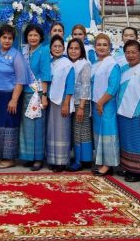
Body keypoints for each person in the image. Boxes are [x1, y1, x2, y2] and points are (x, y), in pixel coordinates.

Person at [111, 40, 140, 182]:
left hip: (139, 113)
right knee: (127, 141)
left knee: (139, 142)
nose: (130, 55)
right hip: (123, 111)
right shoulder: (124, 69)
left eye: (133, 52)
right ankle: (129, 167)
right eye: (127, 52)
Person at [0, 24, 29, 169]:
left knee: (9, 126)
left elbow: (20, 80)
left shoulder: (17, 55)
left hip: (10, 96)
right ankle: (1, 156)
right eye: (4, 37)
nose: (7, 40)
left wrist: (14, 99)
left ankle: (10, 158)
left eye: (10, 38)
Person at [21, 24, 51, 171]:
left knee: (38, 126)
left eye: (36, 35)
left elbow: (45, 74)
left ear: (41, 37)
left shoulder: (44, 51)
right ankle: (29, 156)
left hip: (38, 93)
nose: (33, 38)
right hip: (26, 93)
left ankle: (38, 158)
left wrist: (44, 96)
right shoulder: (24, 51)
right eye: (30, 35)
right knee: (27, 127)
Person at [91, 34, 121, 176]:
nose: (102, 47)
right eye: (99, 44)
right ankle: (102, 161)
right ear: (94, 47)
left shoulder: (112, 64)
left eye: (105, 45)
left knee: (108, 132)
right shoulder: (95, 64)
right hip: (96, 103)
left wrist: (101, 102)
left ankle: (108, 165)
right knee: (99, 133)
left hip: (107, 104)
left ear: (110, 47)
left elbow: (113, 86)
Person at [45, 35, 76, 172]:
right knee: (51, 130)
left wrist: (66, 103)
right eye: (54, 46)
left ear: (63, 48)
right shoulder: (49, 63)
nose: (57, 49)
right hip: (51, 100)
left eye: (59, 46)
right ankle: (52, 159)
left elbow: (70, 86)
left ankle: (62, 161)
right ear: (50, 48)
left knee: (62, 131)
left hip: (62, 101)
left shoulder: (67, 64)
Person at [66, 38, 92, 172]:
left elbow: (86, 86)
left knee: (80, 132)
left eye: (76, 48)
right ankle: (79, 158)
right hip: (71, 102)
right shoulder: (69, 63)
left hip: (81, 103)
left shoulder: (84, 64)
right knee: (76, 131)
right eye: (71, 48)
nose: (73, 51)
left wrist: (81, 107)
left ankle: (79, 161)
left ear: (81, 50)